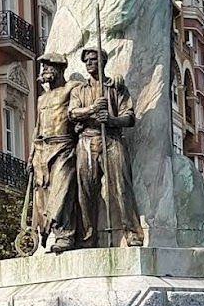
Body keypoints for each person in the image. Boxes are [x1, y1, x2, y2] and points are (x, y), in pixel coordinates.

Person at [68, 47, 144, 248]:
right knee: (85, 191)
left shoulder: (115, 87)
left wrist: (112, 119)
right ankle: (87, 238)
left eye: (94, 60)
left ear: (103, 62)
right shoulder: (79, 90)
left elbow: (129, 117)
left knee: (122, 186)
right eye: (87, 61)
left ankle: (132, 233)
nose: (90, 63)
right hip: (86, 140)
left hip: (111, 138)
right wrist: (92, 110)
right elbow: (73, 113)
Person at [28, 53, 79, 253]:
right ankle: (52, 235)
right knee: (44, 195)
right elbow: (37, 128)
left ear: (60, 69)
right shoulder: (42, 99)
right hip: (42, 149)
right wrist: (32, 154)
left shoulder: (72, 88)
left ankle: (66, 235)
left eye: (49, 66)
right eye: (44, 67)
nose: (45, 70)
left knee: (62, 190)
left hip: (64, 146)